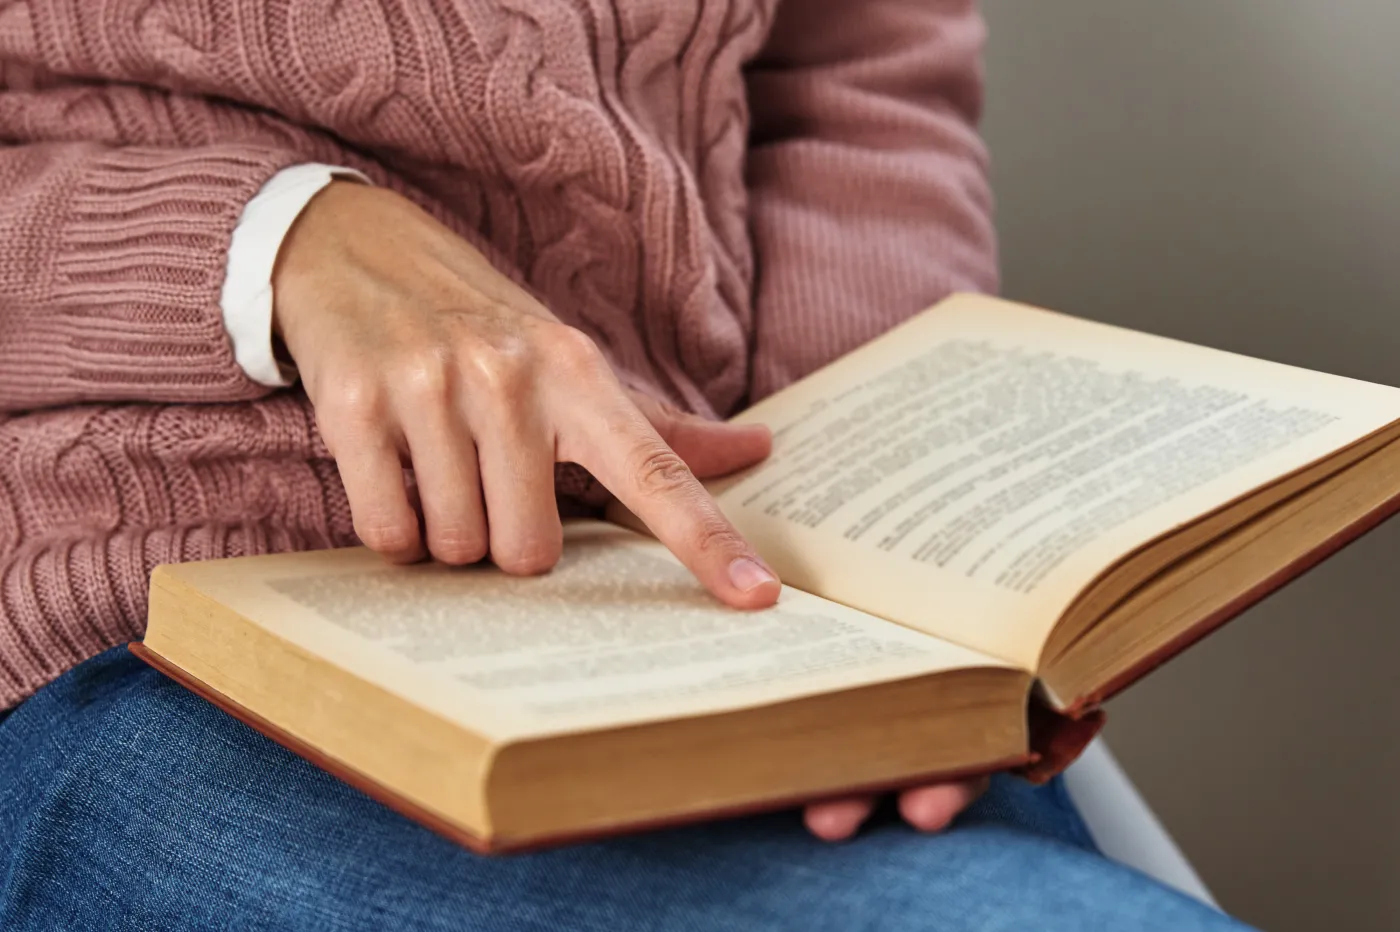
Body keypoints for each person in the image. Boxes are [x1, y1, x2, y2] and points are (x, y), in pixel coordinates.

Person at [0, 1, 1256, 928]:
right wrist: (265, 247)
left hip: (700, 601)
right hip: (137, 628)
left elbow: (853, 77)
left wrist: (884, 579)